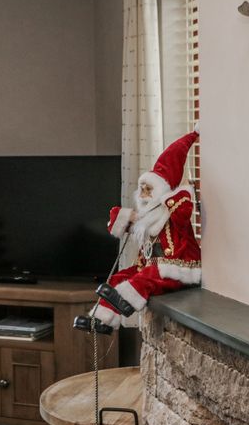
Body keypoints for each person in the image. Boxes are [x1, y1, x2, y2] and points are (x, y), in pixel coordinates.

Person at [76, 128, 201, 334]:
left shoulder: (172, 211)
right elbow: (113, 223)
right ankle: (103, 320)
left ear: (161, 190)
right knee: (120, 276)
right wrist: (130, 216)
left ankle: (126, 303)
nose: (142, 194)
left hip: (178, 269)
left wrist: (177, 191)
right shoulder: (148, 215)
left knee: (148, 276)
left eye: (148, 189)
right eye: (141, 188)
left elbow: (183, 209)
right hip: (153, 266)